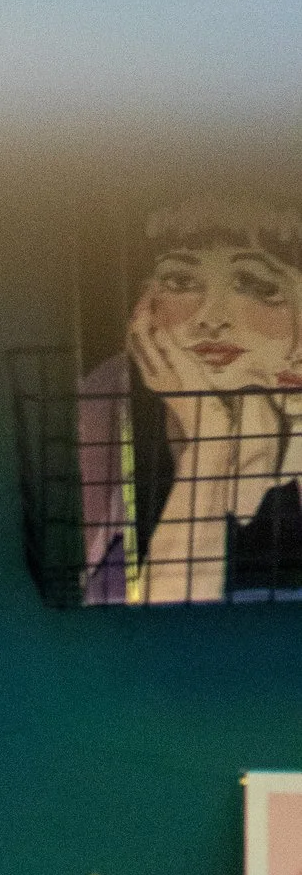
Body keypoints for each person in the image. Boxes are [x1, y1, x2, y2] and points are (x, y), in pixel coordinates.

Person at [79, 201, 302, 606]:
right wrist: (210, 440)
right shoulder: (109, 396)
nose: (210, 318)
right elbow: (164, 624)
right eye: (182, 281)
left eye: (256, 285)